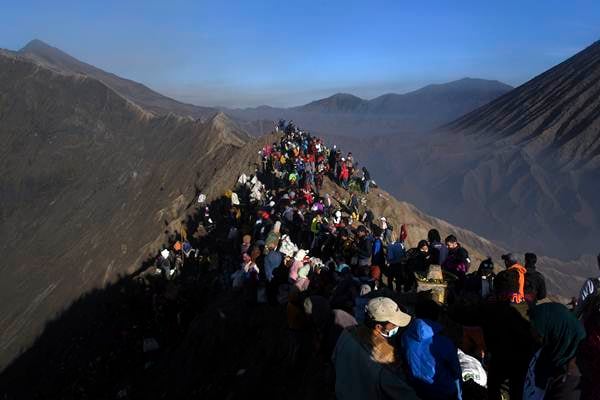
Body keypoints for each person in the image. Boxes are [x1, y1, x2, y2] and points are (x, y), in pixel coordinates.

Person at [333, 297, 418, 400]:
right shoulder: (384, 360)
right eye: (395, 325)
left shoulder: (347, 333)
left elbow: (335, 359)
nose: (398, 327)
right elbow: (405, 395)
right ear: (379, 327)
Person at [523, 303, 586, 400]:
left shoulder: (568, 383)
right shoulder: (550, 348)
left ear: (555, 332)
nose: (532, 334)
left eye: (538, 333)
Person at [402, 301, 462, 400]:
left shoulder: (405, 336)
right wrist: (459, 396)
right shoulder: (444, 341)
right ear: (437, 316)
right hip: (443, 392)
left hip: (415, 391)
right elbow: (456, 372)